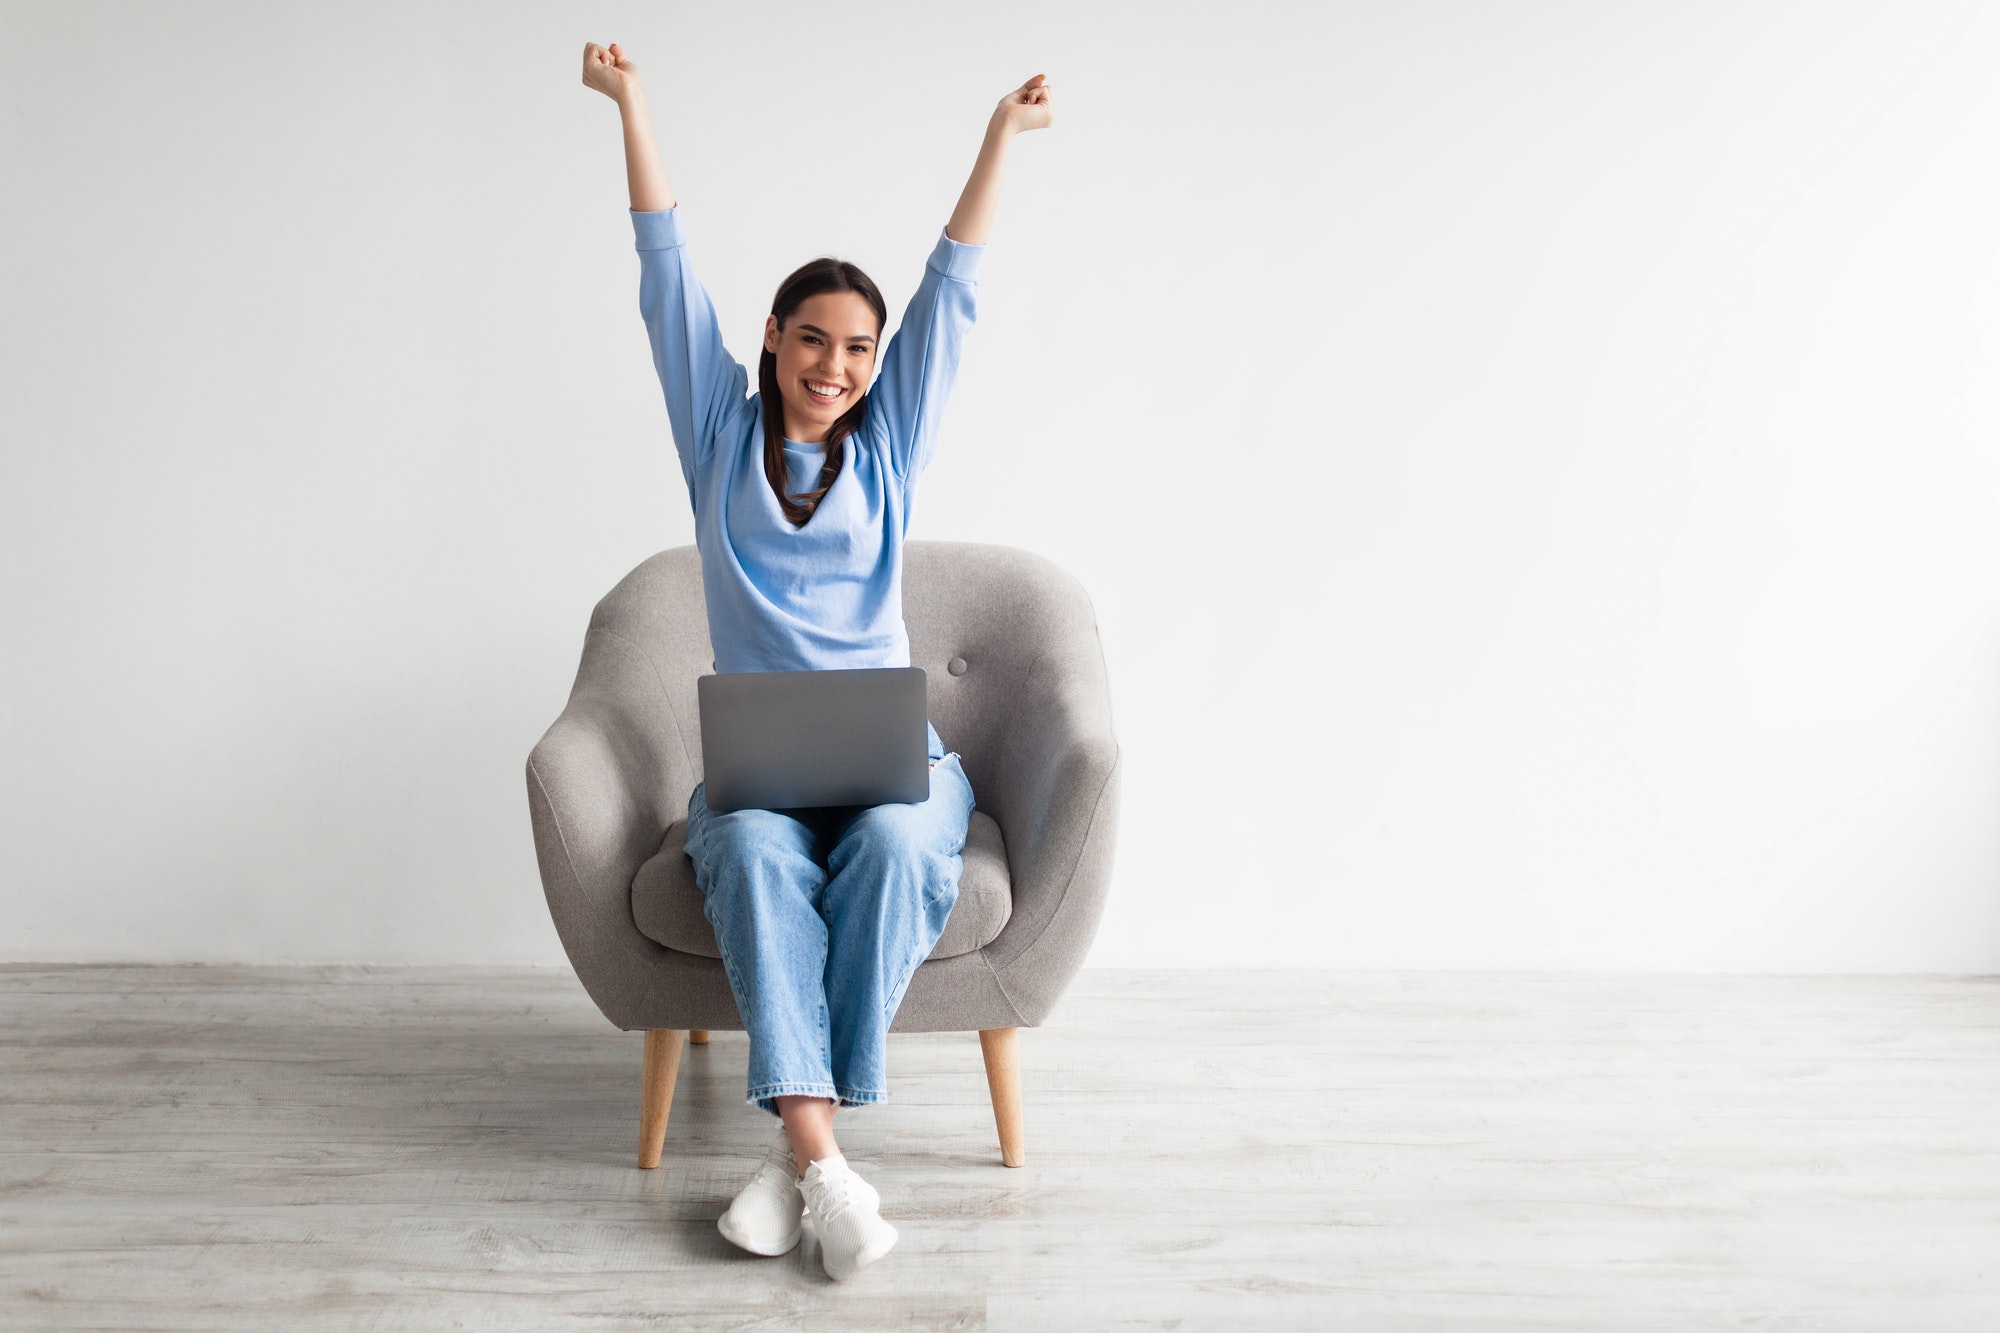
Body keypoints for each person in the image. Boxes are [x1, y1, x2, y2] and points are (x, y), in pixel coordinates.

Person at [580, 40, 1053, 1280]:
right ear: (773, 341)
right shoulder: (719, 439)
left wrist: (997, 136)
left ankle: (799, 1164)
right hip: (766, 778)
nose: (834, 366)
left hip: (901, 765)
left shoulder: (888, 450)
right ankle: (825, 1167)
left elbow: (952, 288)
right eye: (813, 339)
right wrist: (633, 103)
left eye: (856, 348)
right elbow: (662, 271)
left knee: (901, 845)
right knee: (733, 846)